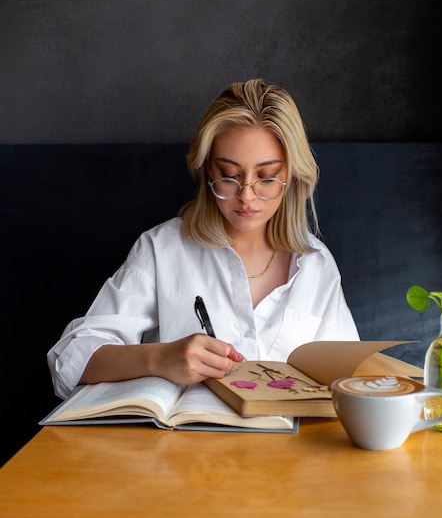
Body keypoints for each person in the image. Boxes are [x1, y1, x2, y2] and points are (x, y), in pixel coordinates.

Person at [47, 78, 359, 399]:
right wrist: (160, 358)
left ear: (289, 174)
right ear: (208, 168)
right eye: (229, 176)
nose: (247, 197)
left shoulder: (316, 265)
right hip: (184, 443)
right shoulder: (163, 249)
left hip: (285, 444)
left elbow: (349, 381)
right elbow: (70, 359)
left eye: (266, 178)